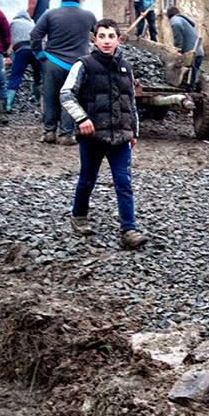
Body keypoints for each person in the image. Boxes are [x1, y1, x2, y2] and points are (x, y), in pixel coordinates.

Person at [60, 18, 147, 250]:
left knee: (123, 182)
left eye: (111, 36)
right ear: (94, 39)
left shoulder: (126, 67)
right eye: (102, 36)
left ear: (119, 40)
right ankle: (79, 215)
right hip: (93, 137)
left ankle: (129, 230)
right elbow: (66, 94)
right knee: (88, 178)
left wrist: (134, 131)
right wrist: (82, 118)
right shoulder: (84, 65)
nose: (107, 41)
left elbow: (131, 102)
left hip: (120, 137)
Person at [29, 0, 97, 144]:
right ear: (78, 0)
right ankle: (66, 134)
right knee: (71, 97)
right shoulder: (88, 16)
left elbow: (35, 35)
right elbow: (99, 34)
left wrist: (39, 54)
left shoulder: (50, 14)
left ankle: (49, 132)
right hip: (76, 65)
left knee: (50, 97)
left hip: (52, 62)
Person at [7, 9, 43, 112]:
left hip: (21, 50)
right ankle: (39, 100)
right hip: (35, 49)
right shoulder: (32, 24)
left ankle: (8, 105)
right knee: (38, 76)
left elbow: (7, 38)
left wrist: (8, 54)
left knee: (15, 76)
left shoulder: (12, 23)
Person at [165, 6, 204, 90]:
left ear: (168, 15)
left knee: (191, 77)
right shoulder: (183, 20)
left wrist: (178, 49)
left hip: (193, 53)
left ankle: (190, 90)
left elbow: (176, 25)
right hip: (198, 52)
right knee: (192, 76)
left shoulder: (175, 19)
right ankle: (191, 88)